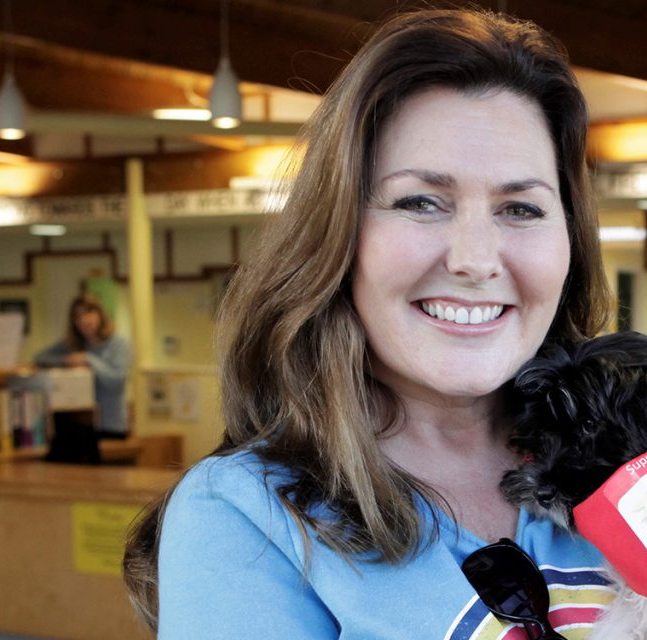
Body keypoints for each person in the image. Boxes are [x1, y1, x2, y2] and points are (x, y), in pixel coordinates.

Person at [122, 9, 613, 638]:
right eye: (420, 202)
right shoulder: (249, 516)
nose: (474, 260)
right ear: (340, 234)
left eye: (521, 207)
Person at [33, 293, 131, 438]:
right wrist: (66, 361)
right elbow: (40, 358)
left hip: (111, 425)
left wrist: (88, 359)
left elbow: (116, 381)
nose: (84, 320)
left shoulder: (118, 343)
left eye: (89, 313)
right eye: (78, 316)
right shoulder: (72, 344)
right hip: (79, 423)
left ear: (99, 314)